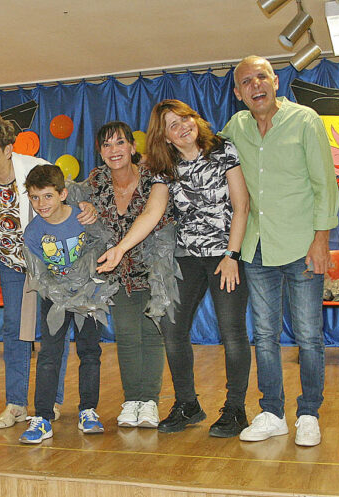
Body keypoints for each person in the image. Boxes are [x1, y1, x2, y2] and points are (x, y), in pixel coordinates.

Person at [222, 56, 339, 447]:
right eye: (246, 81)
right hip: (256, 249)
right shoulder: (236, 127)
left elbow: (325, 184)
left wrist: (321, 240)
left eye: (262, 77)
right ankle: (272, 412)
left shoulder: (305, 120)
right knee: (264, 335)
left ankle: (309, 413)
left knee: (308, 336)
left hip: (302, 247)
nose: (255, 85)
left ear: (275, 81)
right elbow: (203, 153)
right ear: (238, 93)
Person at [0, 115, 95, 428]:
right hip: (12, 265)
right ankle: (16, 404)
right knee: (14, 330)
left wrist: (88, 206)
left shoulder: (36, 167)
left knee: (54, 331)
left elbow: (70, 194)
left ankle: (52, 400)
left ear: (8, 149)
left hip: (50, 265)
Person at [144, 99, 251, 437]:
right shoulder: (166, 167)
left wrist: (232, 256)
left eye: (185, 118)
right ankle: (187, 404)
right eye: (172, 125)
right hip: (187, 256)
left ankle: (235, 409)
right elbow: (152, 212)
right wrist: (120, 248)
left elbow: (242, 205)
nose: (182, 127)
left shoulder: (222, 149)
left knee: (232, 331)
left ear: (196, 119)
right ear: (165, 137)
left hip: (225, 255)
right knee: (172, 327)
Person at [92, 121, 171, 429]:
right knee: (125, 335)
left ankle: (149, 400)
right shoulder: (95, 181)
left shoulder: (153, 177)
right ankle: (132, 400)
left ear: (133, 147)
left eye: (120, 143)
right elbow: (69, 201)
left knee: (151, 334)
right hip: (117, 273)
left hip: (154, 270)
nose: (114, 150)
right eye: (107, 145)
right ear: (100, 152)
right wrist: (83, 206)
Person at [19, 164, 103, 444]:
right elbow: (38, 274)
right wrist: (56, 294)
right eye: (34, 197)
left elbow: (101, 245)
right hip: (54, 299)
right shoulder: (33, 233)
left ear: (63, 194)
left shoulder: (82, 217)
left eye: (47, 196)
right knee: (49, 355)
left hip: (88, 296)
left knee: (89, 352)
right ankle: (43, 417)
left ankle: (88, 410)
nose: (41, 204)